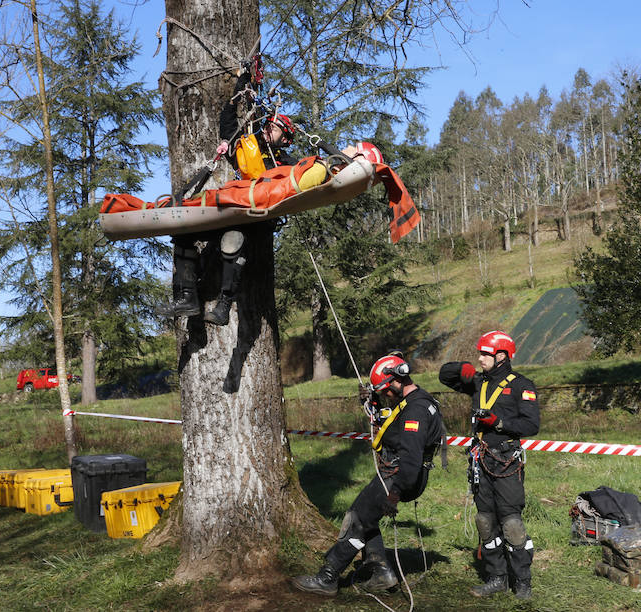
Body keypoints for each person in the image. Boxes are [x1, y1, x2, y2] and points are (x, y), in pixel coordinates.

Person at [292, 353, 445, 597]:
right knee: (367, 516)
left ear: (398, 380)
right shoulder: (416, 399)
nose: (386, 395)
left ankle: (328, 576)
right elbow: (393, 422)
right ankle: (381, 573)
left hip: (399, 475)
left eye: (386, 390)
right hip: (398, 473)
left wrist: (395, 493)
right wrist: (372, 401)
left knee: (357, 521)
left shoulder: (416, 411)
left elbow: (411, 457)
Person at [159, 68, 297, 323]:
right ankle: (187, 298)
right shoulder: (249, 149)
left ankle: (223, 306)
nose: (269, 127)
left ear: (285, 139)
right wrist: (241, 86)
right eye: (269, 123)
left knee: (232, 242)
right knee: (183, 235)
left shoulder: (287, 163)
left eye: (276, 128)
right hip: (233, 208)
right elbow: (228, 124)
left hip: (255, 217)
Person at [438, 330, 540, 600]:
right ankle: (497, 577)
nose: (481, 358)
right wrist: (463, 368)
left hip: (506, 460)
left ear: (502, 356)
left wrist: (499, 423)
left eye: (485, 354)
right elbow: (444, 376)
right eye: (480, 353)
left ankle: (523, 581)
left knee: (511, 522)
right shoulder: (478, 381)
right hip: (480, 459)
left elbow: (532, 425)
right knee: (484, 520)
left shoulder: (521, 385)